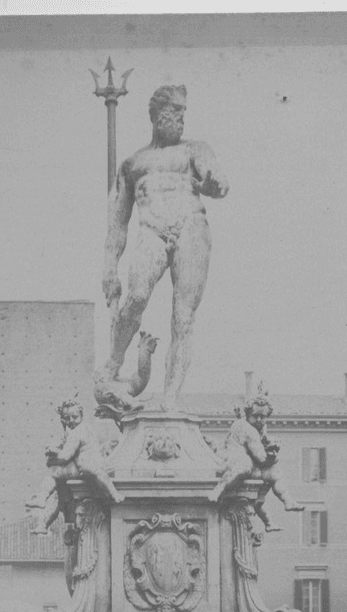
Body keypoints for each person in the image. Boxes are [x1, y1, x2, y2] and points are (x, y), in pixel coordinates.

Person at [102, 85, 229, 411]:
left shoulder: (195, 150)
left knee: (183, 317)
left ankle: (170, 397)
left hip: (190, 228)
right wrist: (109, 267)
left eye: (184, 113)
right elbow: (118, 220)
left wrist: (213, 184)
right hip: (150, 229)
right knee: (137, 296)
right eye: (174, 113)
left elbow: (218, 181)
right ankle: (113, 365)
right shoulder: (134, 163)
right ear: (157, 116)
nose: (181, 120)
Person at [210, 386, 305, 531]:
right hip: (234, 460)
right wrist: (273, 454)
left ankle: (288, 501)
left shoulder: (258, 426)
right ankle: (219, 489)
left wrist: (270, 449)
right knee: (246, 468)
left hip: (249, 461)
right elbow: (261, 457)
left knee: (275, 474)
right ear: (248, 414)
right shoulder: (248, 429)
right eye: (256, 416)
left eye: (263, 416)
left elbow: (262, 448)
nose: (260, 419)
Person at [28, 395, 123, 534]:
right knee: (58, 495)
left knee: (54, 472)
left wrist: (53, 456)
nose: (71, 421)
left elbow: (66, 455)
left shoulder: (77, 432)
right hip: (88, 465)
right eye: (67, 418)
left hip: (82, 467)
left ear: (81, 415)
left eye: (74, 417)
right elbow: (63, 444)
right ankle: (43, 522)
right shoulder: (81, 429)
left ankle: (42, 499)